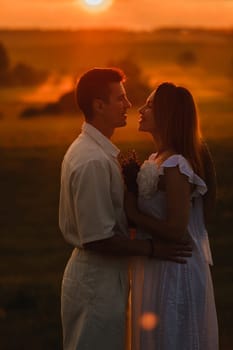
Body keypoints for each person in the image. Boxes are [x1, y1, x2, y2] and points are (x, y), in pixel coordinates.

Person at [59, 69, 192, 350]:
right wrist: (153, 249)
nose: (129, 105)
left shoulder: (96, 152)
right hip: (96, 282)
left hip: (103, 278)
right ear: (98, 105)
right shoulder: (92, 160)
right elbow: (98, 238)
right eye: (120, 98)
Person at [125, 82, 218, 349]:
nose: (141, 109)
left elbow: (177, 229)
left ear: (168, 115)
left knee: (172, 337)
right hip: (157, 264)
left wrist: (133, 213)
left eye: (150, 105)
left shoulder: (176, 164)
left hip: (175, 270)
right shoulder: (157, 158)